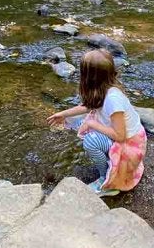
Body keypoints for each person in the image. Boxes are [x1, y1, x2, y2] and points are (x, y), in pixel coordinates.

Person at [47, 49, 147, 197]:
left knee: (90, 141)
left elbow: (120, 136)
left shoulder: (113, 99)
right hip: (124, 138)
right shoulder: (105, 88)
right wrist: (63, 114)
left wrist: (92, 125)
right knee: (81, 121)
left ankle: (107, 181)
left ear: (89, 78)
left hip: (129, 146)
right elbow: (90, 105)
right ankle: (111, 162)